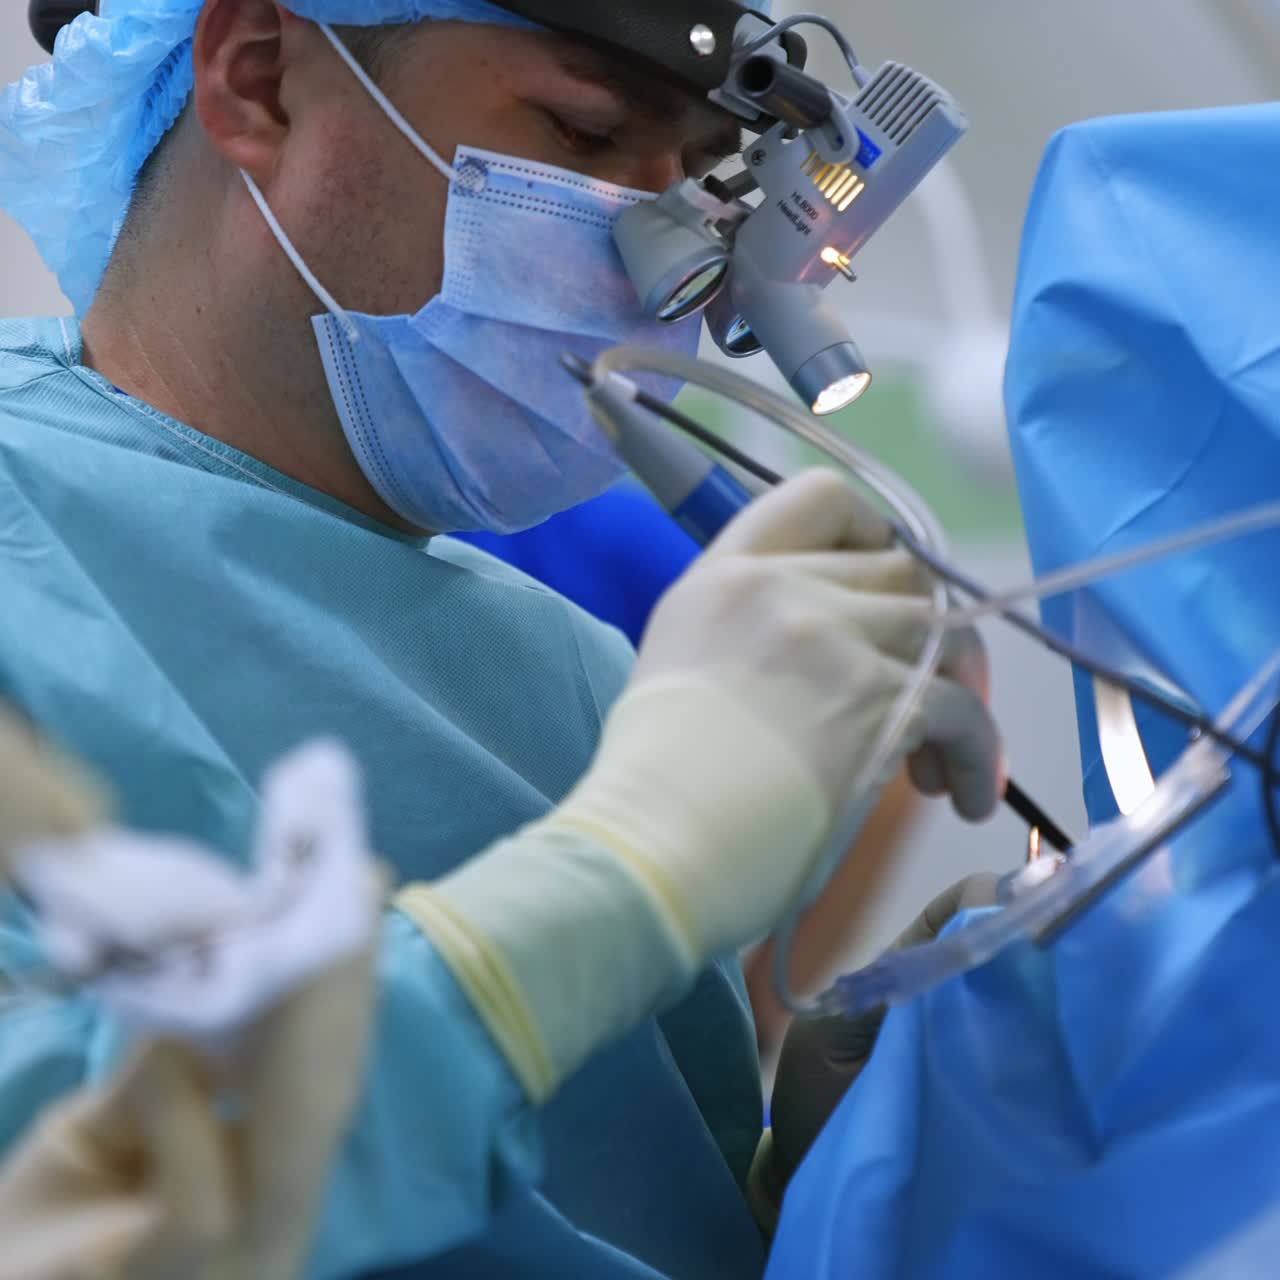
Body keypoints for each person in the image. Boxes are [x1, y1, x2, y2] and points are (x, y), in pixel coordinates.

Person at [0, 2, 1004, 1275]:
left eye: (695, 180)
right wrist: (617, 878)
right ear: (257, 82)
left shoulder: (576, 671)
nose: (662, 264)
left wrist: (818, 1166)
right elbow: (62, 1205)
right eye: (584, 134)